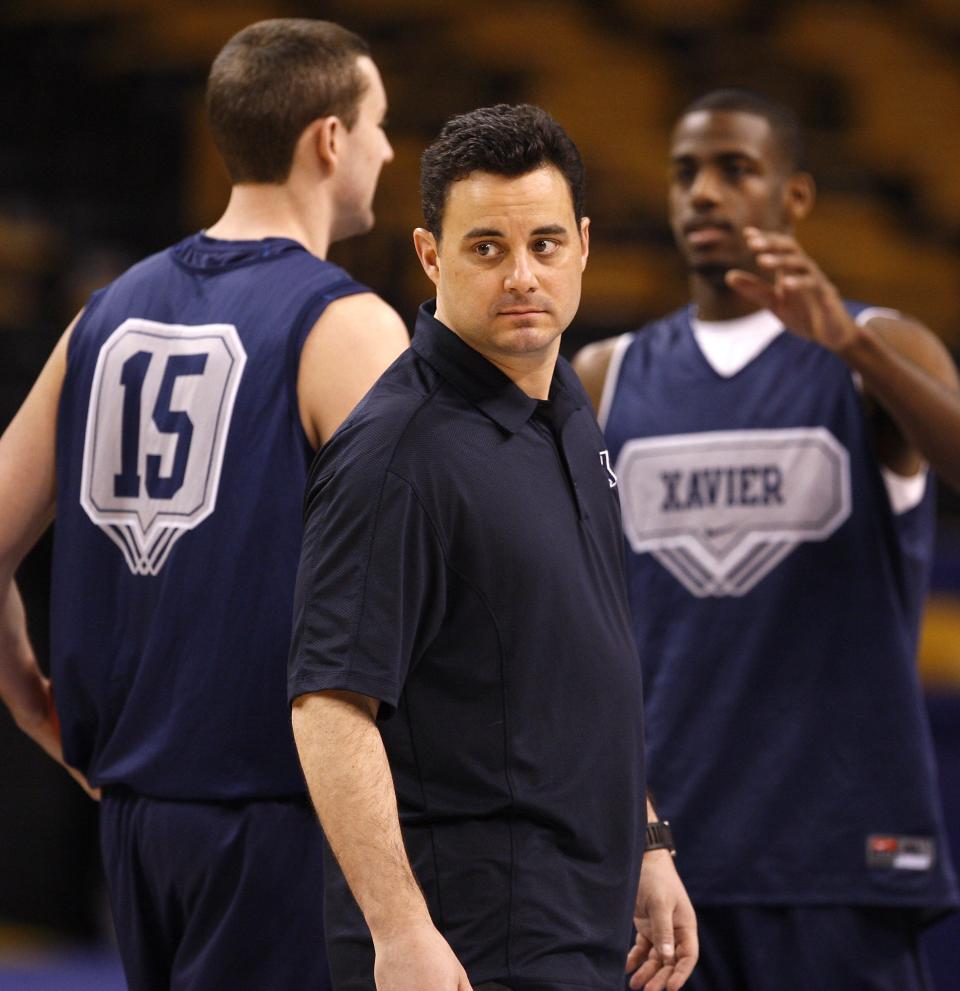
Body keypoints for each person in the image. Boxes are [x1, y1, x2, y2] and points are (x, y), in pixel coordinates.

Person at [0, 18, 408, 991]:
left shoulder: (103, 312)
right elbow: (444, 587)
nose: (392, 149)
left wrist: (27, 696)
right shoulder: (346, 324)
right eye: (380, 123)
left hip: (138, 820)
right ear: (329, 140)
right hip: (283, 817)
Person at [287, 103, 697, 991]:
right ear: (431, 256)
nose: (522, 276)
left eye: (545, 244)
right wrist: (399, 933)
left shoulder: (568, 403)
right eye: (486, 249)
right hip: (472, 944)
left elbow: (587, 658)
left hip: (584, 925)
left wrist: (648, 840)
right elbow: (327, 706)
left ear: (584, 245)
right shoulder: (397, 454)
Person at [573, 88, 960, 991]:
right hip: (662, 863)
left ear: (795, 198)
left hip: (837, 849)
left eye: (734, 169)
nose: (702, 192)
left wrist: (854, 352)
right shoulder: (607, 374)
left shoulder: (877, 346)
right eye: (684, 173)